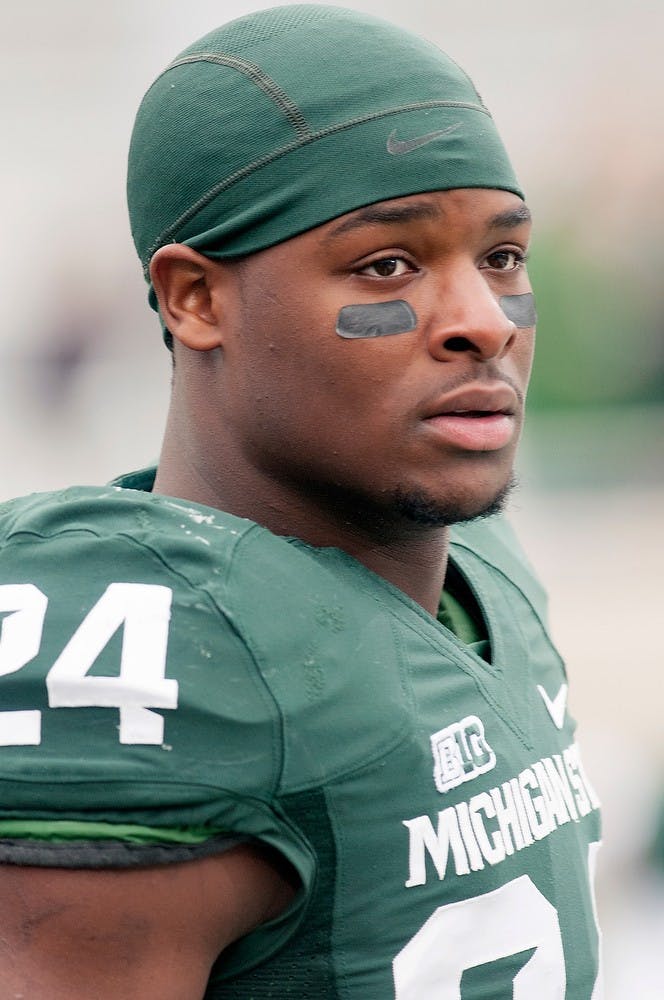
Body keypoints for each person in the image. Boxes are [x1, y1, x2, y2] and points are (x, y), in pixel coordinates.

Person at [0, 5, 602, 997]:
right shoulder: (148, 650)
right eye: (386, 264)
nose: (485, 323)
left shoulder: (480, 569)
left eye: (500, 257)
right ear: (197, 298)